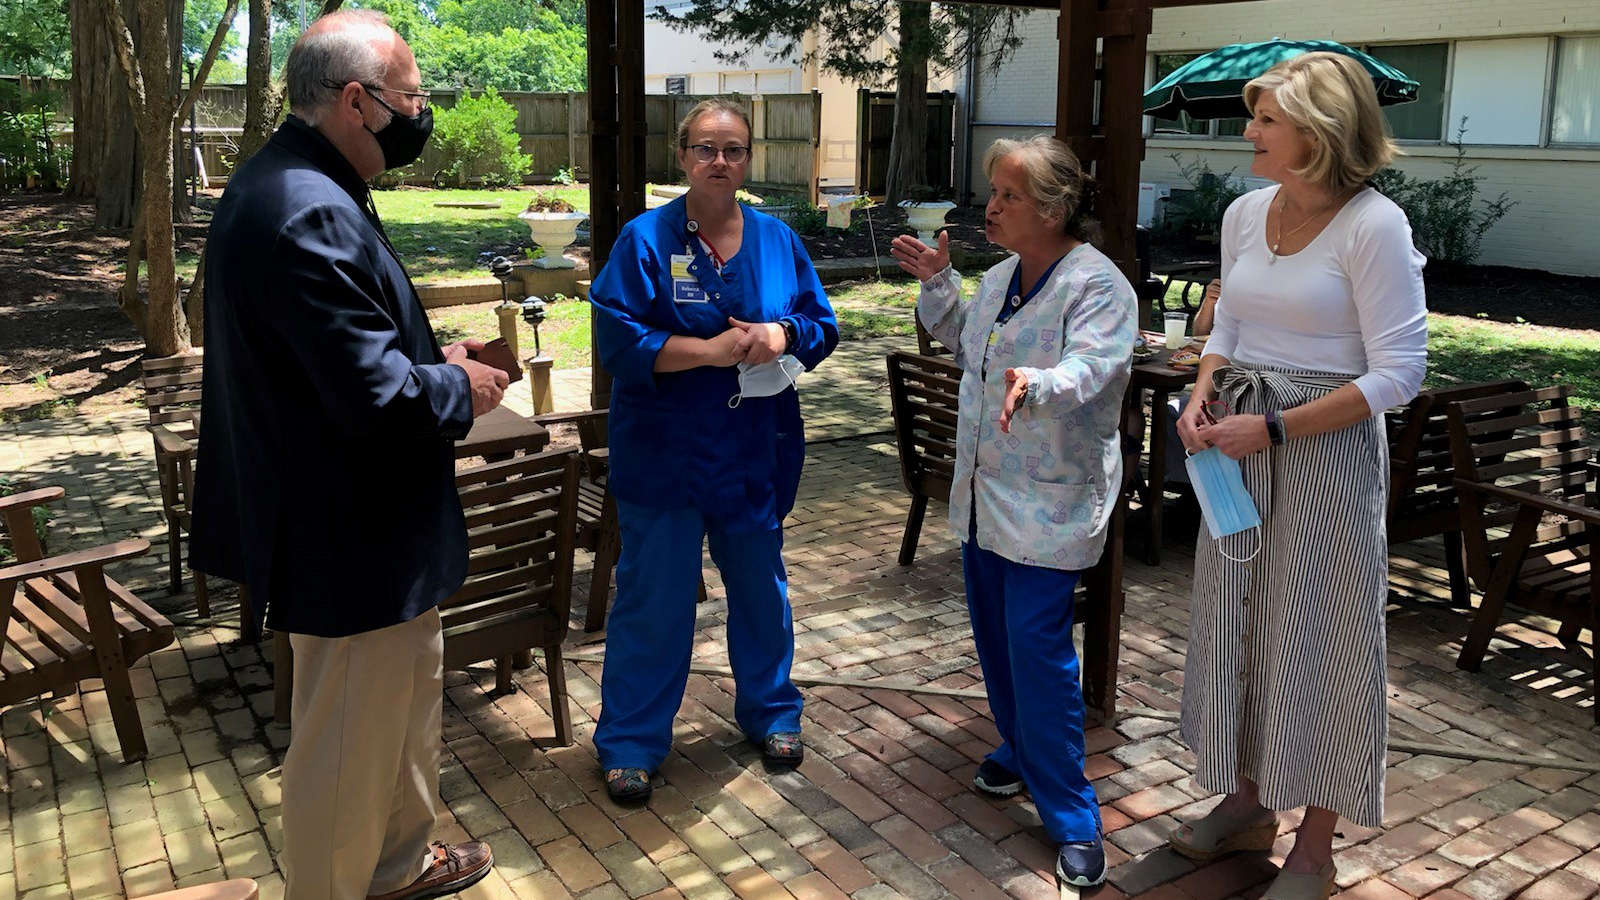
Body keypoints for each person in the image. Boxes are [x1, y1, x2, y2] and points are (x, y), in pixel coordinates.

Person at [191, 10, 509, 900]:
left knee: (400, 721)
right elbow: (372, 396)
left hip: (378, 534)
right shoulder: (304, 211)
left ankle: (398, 866)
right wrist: (463, 388)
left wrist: (425, 359)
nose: (422, 115)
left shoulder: (301, 183)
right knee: (344, 751)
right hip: (346, 538)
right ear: (358, 102)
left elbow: (338, 353)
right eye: (413, 98)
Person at [1170, 51, 1427, 900]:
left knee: (1321, 643)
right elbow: (1228, 325)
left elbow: (1400, 374)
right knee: (1237, 620)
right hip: (1238, 442)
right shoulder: (1247, 212)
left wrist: (1274, 427)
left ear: (1319, 132)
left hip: (1321, 457)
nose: (1248, 131)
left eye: (1267, 119)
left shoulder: (1373, 225)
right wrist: (1202, 391)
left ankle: (1316, 847)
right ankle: (1246, 802)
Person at [890, 135, 1136, 890]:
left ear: (1055, 210)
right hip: (983, 498)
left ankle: (1070, 811)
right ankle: (1018, 748)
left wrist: (1042, 380)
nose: (989, 207)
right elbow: (968, 345)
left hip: (1049, 507)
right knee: (996, 643)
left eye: (1007, 196)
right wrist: (940, 286)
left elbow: (1096, 366)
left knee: (1039, 653)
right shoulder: (1000, 277)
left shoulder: (1099, 286)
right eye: (992, 192)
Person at [588, 99, 839, 804]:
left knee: (762, 591)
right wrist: (712, 349)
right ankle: (631, 740)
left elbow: (821, 323)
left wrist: (780, 336)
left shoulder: (776, 239)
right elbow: (617, 342)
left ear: (749, 158)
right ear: (683, 156)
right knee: (653, 601)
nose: (719, 162)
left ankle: (773, 710)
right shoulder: (645, 241)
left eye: (733, 150)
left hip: (753, 448)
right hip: (666, 453)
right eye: (706, 149)